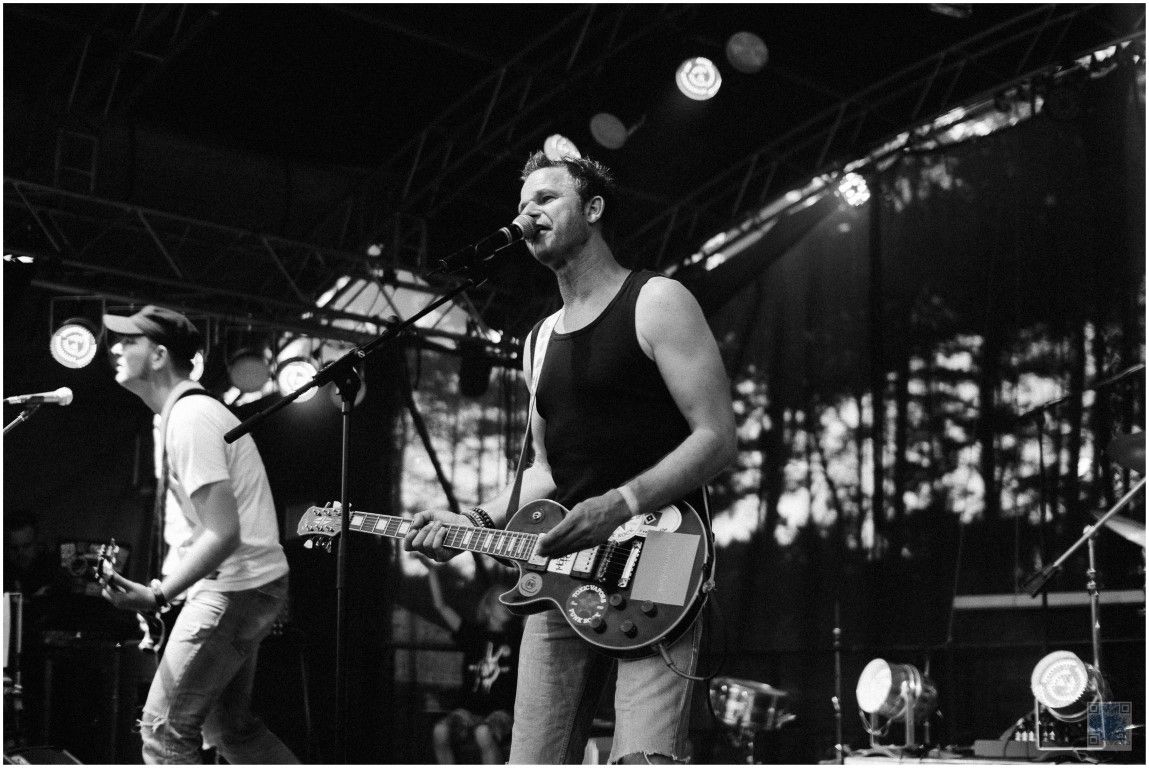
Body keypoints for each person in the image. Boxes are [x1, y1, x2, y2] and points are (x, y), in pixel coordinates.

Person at [405, 152, 737, 764]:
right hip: (562, 570)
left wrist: (619, 504)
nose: (528, 213)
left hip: (665, 551)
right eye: (522, 204)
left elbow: (716, 436)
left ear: (593, 208)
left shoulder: (656, 300)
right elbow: (543, 472)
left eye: (546, 198)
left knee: (642, 761)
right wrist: (471, 523)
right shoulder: (538, 341)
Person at [98, 305, 297, 765]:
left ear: (159, 356)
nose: (116, 349)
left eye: (130, 340)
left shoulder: (191, 418)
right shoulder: (174, 417)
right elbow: (196, 528)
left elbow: (224, 533)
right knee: (231, 730)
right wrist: (162, 593)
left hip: (236, 587)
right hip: (245, 585)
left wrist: (158, 595)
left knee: (163, 730)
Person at [426, 567, 522, 764]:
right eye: (500, 601)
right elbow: (441, 606)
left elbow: (535, 612)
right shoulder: (473, 634)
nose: (506, 605)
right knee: (440, 731)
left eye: (510, 600)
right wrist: (431, 571)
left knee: (483, 733)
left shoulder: (517, 636)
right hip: (467, 709)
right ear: (487, 607)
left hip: (501, 711)